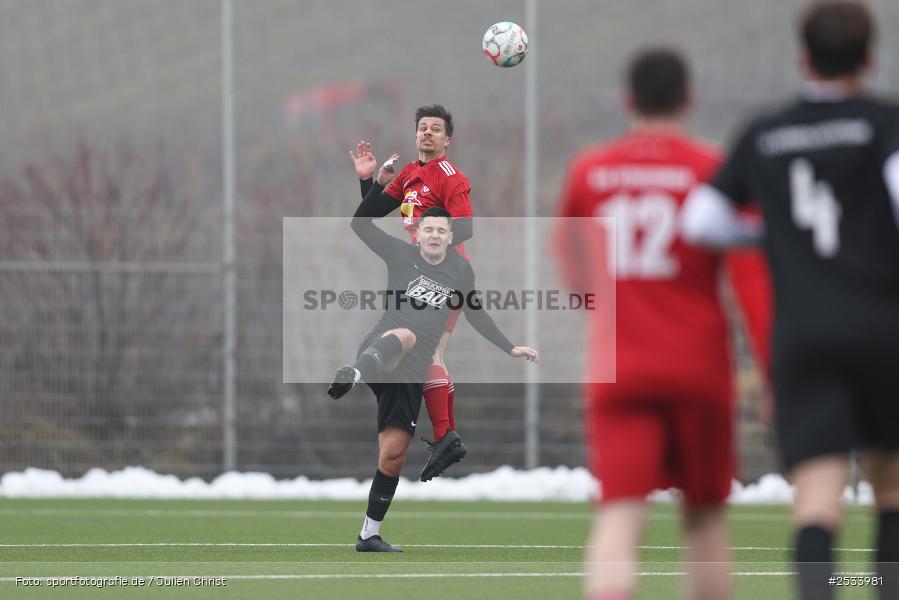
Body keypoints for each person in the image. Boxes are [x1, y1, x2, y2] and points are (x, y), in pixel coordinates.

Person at [682, 3, 899, 599]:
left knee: (817, 500)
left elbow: (700, 221)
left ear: (804, 59)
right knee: (891, 490)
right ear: (869, 58)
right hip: (883, 330)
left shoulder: (766, 132)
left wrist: (772, 235)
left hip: (803, 337)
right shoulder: (885, 123)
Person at [555, 48, 771, 600]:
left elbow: (571, 264)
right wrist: (773, 368)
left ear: (628, 100)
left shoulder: (590, 170)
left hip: (620, 366)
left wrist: (610, 316)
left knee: (618, 517)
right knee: (704, 520)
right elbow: (751, 277)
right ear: (688, 99)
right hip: (699, 367)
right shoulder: (712, 170)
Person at [330, 157, 538, 552]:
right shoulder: (400, 255)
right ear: (419, 234)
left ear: (449, 236)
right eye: (428, 229)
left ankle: (368, 535)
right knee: (407, 333)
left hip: (410, 372)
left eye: (442, 230)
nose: (434, 235)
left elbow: (475, 313)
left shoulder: (460, 271)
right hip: (381, 349)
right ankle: (353, 375)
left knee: (393, 455)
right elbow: (361, 225)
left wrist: (510, 347)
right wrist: (373, 184)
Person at [348, 104, 474, 482]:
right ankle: (446, 435)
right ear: (415, 134)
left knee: (427, 350)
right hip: (423, 275)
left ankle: (446, 435)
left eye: (436, 128)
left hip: (445, 273)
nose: (428, 133)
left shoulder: (450, 177)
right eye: (423, 128)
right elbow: (368, 216)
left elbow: (465, 228)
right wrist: (369, 182)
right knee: (432, 353)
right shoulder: (408, 174)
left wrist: (431, 246)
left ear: (447, 140)